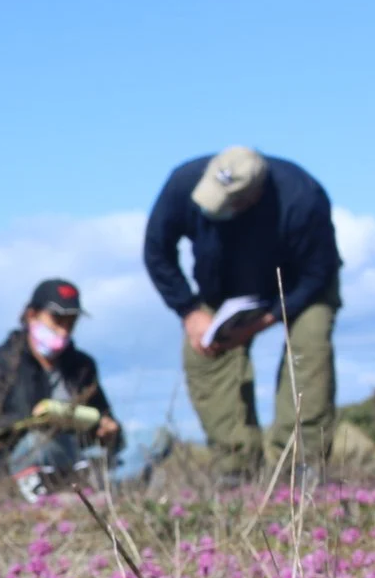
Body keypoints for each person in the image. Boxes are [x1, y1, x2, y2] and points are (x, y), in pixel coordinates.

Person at [143, 146, 342, 476]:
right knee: (203, 353)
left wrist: (263, 321)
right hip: (222, 284)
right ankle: (236, 466)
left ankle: (300, 466)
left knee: (309, 352)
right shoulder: (183, 182)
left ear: (254, 195)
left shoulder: (303, 197)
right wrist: (190, 311)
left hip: (301, 285)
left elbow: (317, 273)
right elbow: (156, 252)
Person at [0, 277, 119, 500]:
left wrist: (108, 430)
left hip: (76, 452)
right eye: (57, 320)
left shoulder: (82, 366)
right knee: (40, 442)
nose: (64, 330)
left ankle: (90, 485)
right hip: (18, 457)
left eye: (71, 322)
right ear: (31, 315)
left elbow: (104, 418)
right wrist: (31, 420)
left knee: (153, 439)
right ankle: (68, 489)